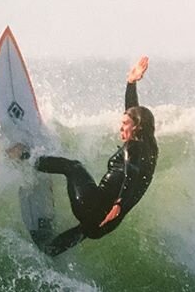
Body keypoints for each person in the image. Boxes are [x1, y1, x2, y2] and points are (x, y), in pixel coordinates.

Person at [33, 56, 158, 256]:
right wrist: (131, 83)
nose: (120, 127)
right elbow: (132, 113)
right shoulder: (149, 147)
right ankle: (51, 250)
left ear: (137, 127)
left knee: (73, 166)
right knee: (86, 228)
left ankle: (27, 158)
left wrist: (119, 204)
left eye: (125, 124)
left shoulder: (133, 149)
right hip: (104, 223)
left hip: (94, 208)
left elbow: (131, 173)